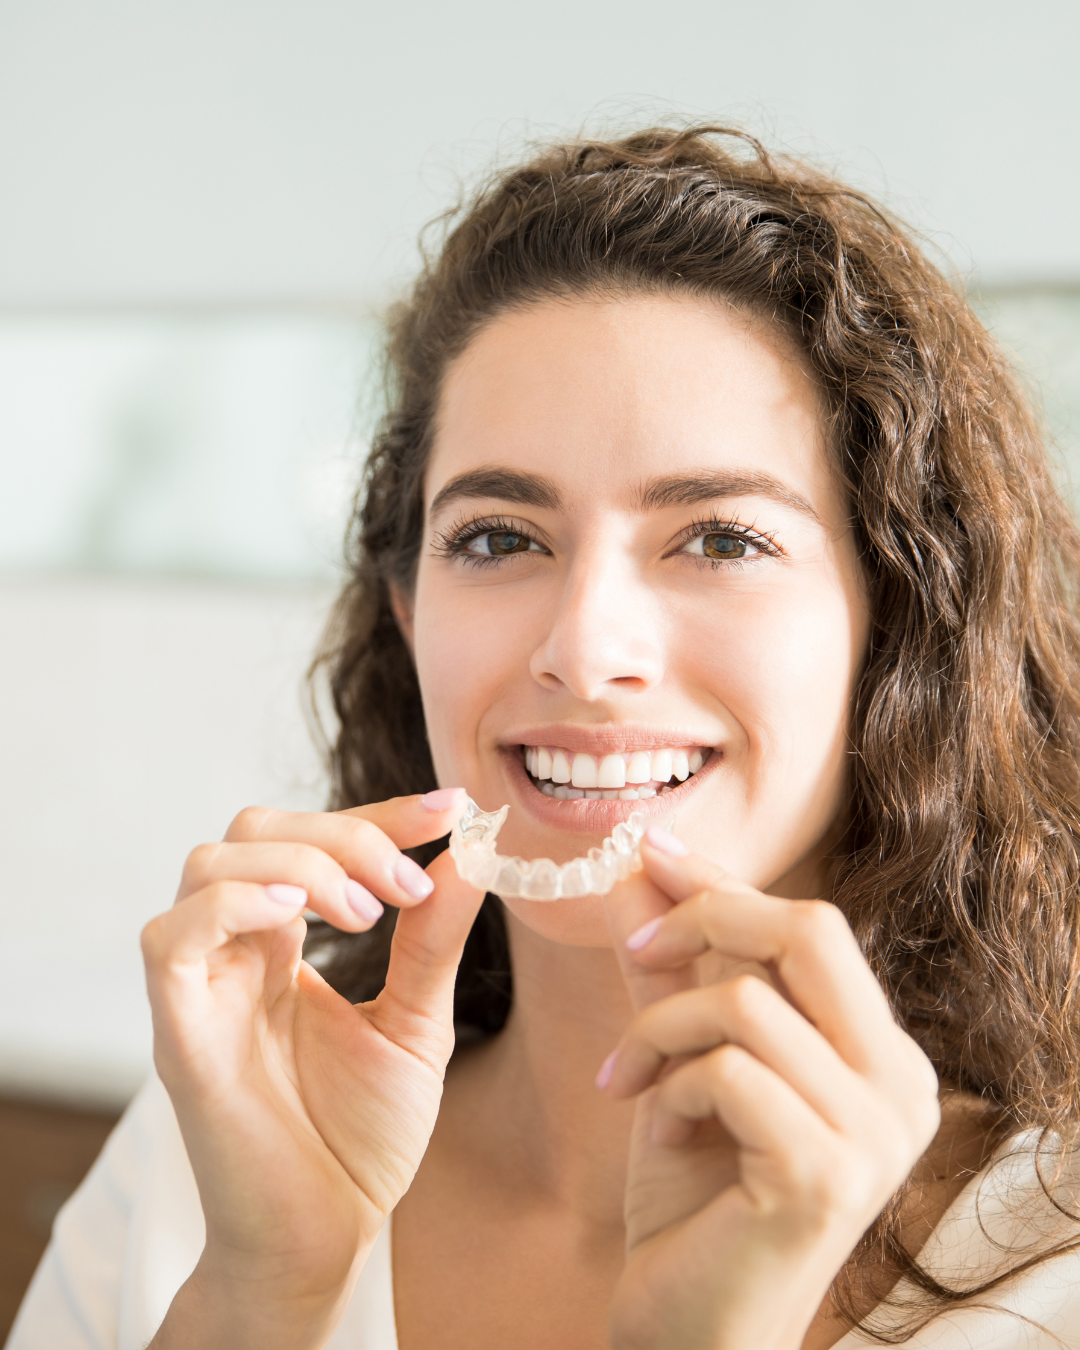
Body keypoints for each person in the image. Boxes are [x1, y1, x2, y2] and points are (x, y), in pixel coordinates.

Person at [9, 125, 1080, 1350]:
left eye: (722, 538)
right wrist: (260, 1298)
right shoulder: (208, 1159)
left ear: (896, 624)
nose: (584, 645)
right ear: (410, 612)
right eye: (500, 537)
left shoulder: (1051, 1267)